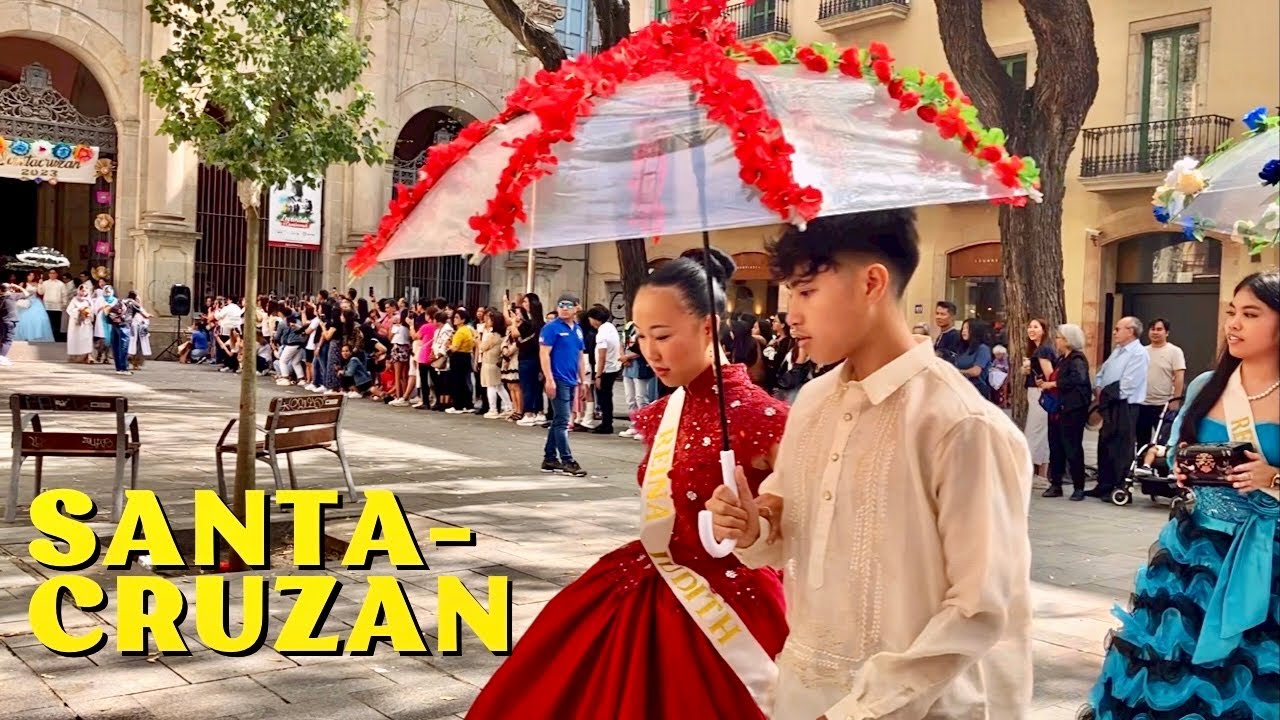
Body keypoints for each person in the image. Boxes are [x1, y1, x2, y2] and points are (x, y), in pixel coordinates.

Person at [706, 209, 1034, 719]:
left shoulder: (959, 423)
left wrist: (861, 710)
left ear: (872, 283)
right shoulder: (813, 402)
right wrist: (754, 527)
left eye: (806, 291)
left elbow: (980, 606)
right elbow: (790, 530)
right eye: (790, 292)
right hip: (801, 693)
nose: (790, 313)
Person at [467, 248, 789, 720]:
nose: (649, 351)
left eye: (663, 336)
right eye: (641, 335)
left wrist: (753, 521)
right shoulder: (666, 412)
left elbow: (805, 530)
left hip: (729, 603)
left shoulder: (768, 420)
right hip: (646, 583)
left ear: (707, 327)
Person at [1080, 271, 1279, 720]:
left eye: (1251, 314)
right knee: (1172, 674)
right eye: (1232, 312)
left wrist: (1271, 477)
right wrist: (1180, 467)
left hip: (1269, 559)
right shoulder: (1207, 385)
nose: (1235, 324)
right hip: (1194, 560)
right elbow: (1175, 452)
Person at [1090, 316, 1150, 499]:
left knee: (1121, 446)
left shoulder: (1138, 353)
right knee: (1105, 444)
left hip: (1125, 405)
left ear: (1130, 331)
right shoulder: (1117, 351)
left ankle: (1119, 487)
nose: (1115, 332)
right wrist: (1099, 387)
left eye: (1118, 329)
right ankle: (1104, 484)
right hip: (1109, 402)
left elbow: (1128, 384)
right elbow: (1103, 372)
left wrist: (1108, 393)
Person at [1039, 324, 1093, 500]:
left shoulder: (1077, 359)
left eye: (1059, 338)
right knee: (1055, 446)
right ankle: (1056, 484)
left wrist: (1052, 384)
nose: (1056, 341)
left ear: (1068, 341)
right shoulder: (1062, 359)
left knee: (1072, 447)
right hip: (1058, 409)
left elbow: (1077, 379)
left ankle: (1079, 486)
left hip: (1072, 410)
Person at [539, 293, 587, 476]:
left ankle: (550, 457)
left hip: (571, 379)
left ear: (577, 307)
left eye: (568, 305)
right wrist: (549, 379)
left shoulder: (578, 329)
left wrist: (583, 380)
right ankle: (567, 460)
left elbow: (580, 356)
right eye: (561, 305)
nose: (564, 308)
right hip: (558, 379)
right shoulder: (551, 328)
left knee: (559, 419)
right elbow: (544, 354)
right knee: (562, 420)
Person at [1135, 317, 1186, 446]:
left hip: (1164, 405)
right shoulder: (1142, 351)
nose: (1155, 332)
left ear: (1167, 333)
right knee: (1142, 441)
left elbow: (1179, 376)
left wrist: (1175, 400)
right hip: (1142, 404)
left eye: (1159, 329)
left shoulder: (1174, 351)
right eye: (1152, 329)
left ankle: (1160, 466)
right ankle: (1142, 464)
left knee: (1163, 442)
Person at [1024, 317, 1058, 479]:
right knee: (1041, 432)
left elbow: (1049, 374)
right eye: (1030, 327)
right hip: (1036, 392)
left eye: (1036, 327)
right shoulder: (1036, 351)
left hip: (1039, 393)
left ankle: (1030, 470)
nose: (1031, 330)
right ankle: (1043, 473)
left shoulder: (1043, 351)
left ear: (1043, 331)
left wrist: (1045, 384)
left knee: (1034, 431)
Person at [586, 305, 622, 434]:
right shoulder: (611, 327)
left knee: (604, 397)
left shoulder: (602, 334)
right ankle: (607, 422)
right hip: (614, 366)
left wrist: (598, 375)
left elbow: (602, 355)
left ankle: (606, 424)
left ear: (595, 319)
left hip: (605, 369)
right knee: (607, 396)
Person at [14, 271, 53, 343]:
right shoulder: (22, 284)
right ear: (26, 276)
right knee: (24, 320)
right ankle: (24, 336)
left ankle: (36, 336)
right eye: (29, 275)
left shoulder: (36, 283)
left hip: (35, 302)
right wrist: (25, 295)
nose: (31, 277)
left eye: (33, 275)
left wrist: (41, 284)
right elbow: (17, 294)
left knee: (39, 319)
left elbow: (41, 293)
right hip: (25, 303)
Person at [64, 286, 95, 363]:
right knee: (75, 339)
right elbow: (69, 310)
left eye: (85, 291)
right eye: (82, 291)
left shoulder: (89, 301)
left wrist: (88, 313)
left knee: (86, 339)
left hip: (86, 323)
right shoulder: (75, 300)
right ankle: (75, 357)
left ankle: (87, 356)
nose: (83, 293)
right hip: (76, 324)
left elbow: (93, 311)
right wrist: (78, 310)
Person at [0, 282, 26, 367]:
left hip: (2, 321)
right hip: (10, 321)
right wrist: (17, 286)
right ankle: (2, 357)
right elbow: (27, 293)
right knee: (7, 340)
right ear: (9, 289)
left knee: (2, 339)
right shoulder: (12, 296)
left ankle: (2, 357)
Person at [40, 268, 67, 342]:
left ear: (56, 274)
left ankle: (56, 338)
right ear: (48, 274)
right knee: (47, 322)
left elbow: (64, 295)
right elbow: (41, 292)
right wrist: (40, 284)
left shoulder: (61, 284)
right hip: (47, 305)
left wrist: (64, 304)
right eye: (51, 273)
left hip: (57, 307)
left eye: (54, 273)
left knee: (56, 324)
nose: (52, 275)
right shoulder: (45, 283)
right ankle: (48, 338)